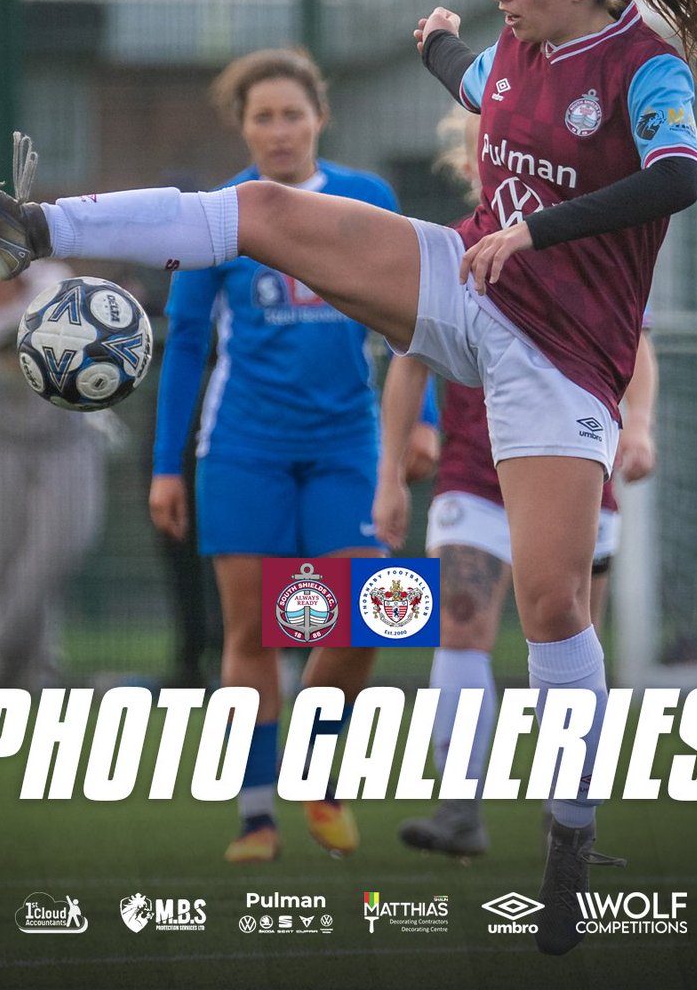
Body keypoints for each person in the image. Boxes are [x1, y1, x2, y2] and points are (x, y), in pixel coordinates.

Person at [0, 0, 697, 955]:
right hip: (467, 286)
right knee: (261, 213)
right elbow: (482, 85)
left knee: (549, 604)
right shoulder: (510, 48)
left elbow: (678, 178)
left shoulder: (646, 68)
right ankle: (29, 226)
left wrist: (537, 229)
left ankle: (571, 837)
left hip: (561, 359)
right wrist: (442, 47)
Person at [145, 47, 419, 863]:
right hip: (243, 447)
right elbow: (187, 342)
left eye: (291, 114)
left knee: (370, 611)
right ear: (244, 126)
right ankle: (257, 816)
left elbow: (411, 314)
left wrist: (423, 418)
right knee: (252, 633)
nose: (278, 129)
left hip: (347, 443)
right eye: (261, 116)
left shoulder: (369, 199)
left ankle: (319, 774)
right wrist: (168, 465)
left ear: (319, 119)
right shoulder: (218, 212)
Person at [374, 106, 659, 861]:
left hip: (570, 471)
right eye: (476, 150)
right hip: (474, 471)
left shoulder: (589, 244)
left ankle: (567, 822)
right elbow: (406, 363)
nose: (488, 158)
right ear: (467, 163)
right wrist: (390, 477)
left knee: (568, 632)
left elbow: (639, 343)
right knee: (460, 622)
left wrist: (639, 424)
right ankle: (460, 808)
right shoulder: (447, 251)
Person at [0, 239, 108, 691]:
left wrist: (4, 326)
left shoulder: (53, 281)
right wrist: (12, 323)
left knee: (61, 545)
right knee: (1, 561)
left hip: (66, 437)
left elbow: (76, 326)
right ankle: (32, 672)